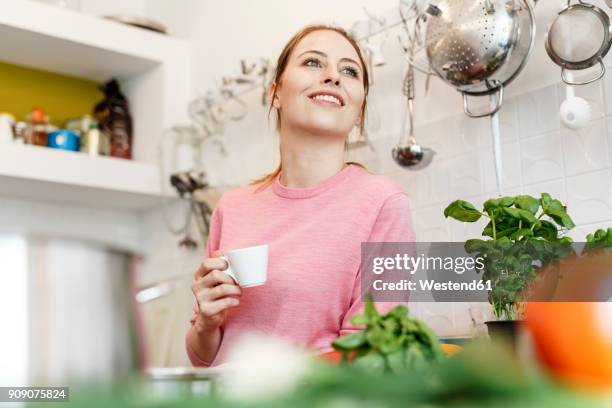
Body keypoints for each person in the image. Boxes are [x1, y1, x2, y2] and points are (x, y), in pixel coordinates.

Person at [186, 24, 415, 367]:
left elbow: (368, 351)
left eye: (349, 71)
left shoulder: (384, 204)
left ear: (359, 109)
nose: (333, 77)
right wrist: (206, 321)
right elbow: (202, 357)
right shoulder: (232, 208)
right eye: (313, 63)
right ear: (274, 93)